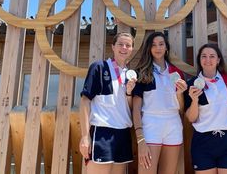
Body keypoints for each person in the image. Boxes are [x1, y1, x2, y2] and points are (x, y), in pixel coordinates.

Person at [79, 32, 136, 174]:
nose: (124, 47)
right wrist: (85, 136)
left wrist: (129, 92)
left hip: (123, 133)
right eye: (120, 44)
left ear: (131, 49)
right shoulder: (99, 67)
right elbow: (85, 101)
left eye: (128, 45)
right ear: (113, 47)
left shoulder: (131, 75)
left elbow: (130, 109)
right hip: (102, 131)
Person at [132, 31, 187, 174]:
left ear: (166, 47)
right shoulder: (142, 72)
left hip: (173, 125)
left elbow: (181, 109)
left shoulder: (177, 73)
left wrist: (180, 94)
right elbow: (136, 108)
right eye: (154, 45)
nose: (158, 48)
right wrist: (140, 139)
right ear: (149, 49)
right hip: (151, 126)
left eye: (161, 44)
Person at [184, 43, 227, 174]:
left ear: (218, 59)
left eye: (212, 56)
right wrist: (194, 100)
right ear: (199, 59)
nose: (208, 60)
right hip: (203, 141)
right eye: (204, 56)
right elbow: (191, 118)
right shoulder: (192, 84)